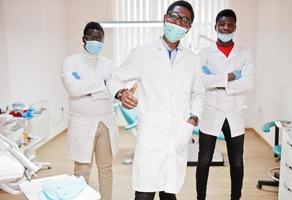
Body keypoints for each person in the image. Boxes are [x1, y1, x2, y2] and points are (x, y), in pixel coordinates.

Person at [107, 1, 204, 199]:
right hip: (151, 135)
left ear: (189, 28)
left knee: (169, 193)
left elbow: (198, 93)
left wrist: (192, 120)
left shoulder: (192, 59)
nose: (178, 22)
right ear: (165, 18)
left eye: (185, 20)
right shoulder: (143, 54)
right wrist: (120, 93)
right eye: (174, 17)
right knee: (144, 194)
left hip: (178, 132)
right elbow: (113, 78)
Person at [196, 9, 255, 200]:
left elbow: (248, 83)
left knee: (237, 162)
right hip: (211, 111)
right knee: (204, 160)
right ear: (215, 27)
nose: (226, 28)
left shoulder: (245, 53)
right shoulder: (204, 53)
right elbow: (201, 81)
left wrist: (216, 82)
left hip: (234, 113)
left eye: (230, 25)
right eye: (222, 24)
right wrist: (230, 77)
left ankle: (235, 197)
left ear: (235, 27)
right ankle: (200, 198)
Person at [61, 22, 119, 200]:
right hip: (82, 123)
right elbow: (72, 88)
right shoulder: (71, 61)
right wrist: (101, 83)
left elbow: (114, 88)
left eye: (99, 38)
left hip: (105, 123)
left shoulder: (108, 63)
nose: (96, 41)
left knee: (106, 168)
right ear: (84, 39)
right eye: (92, 38)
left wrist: (88, 87)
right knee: (82, 170)